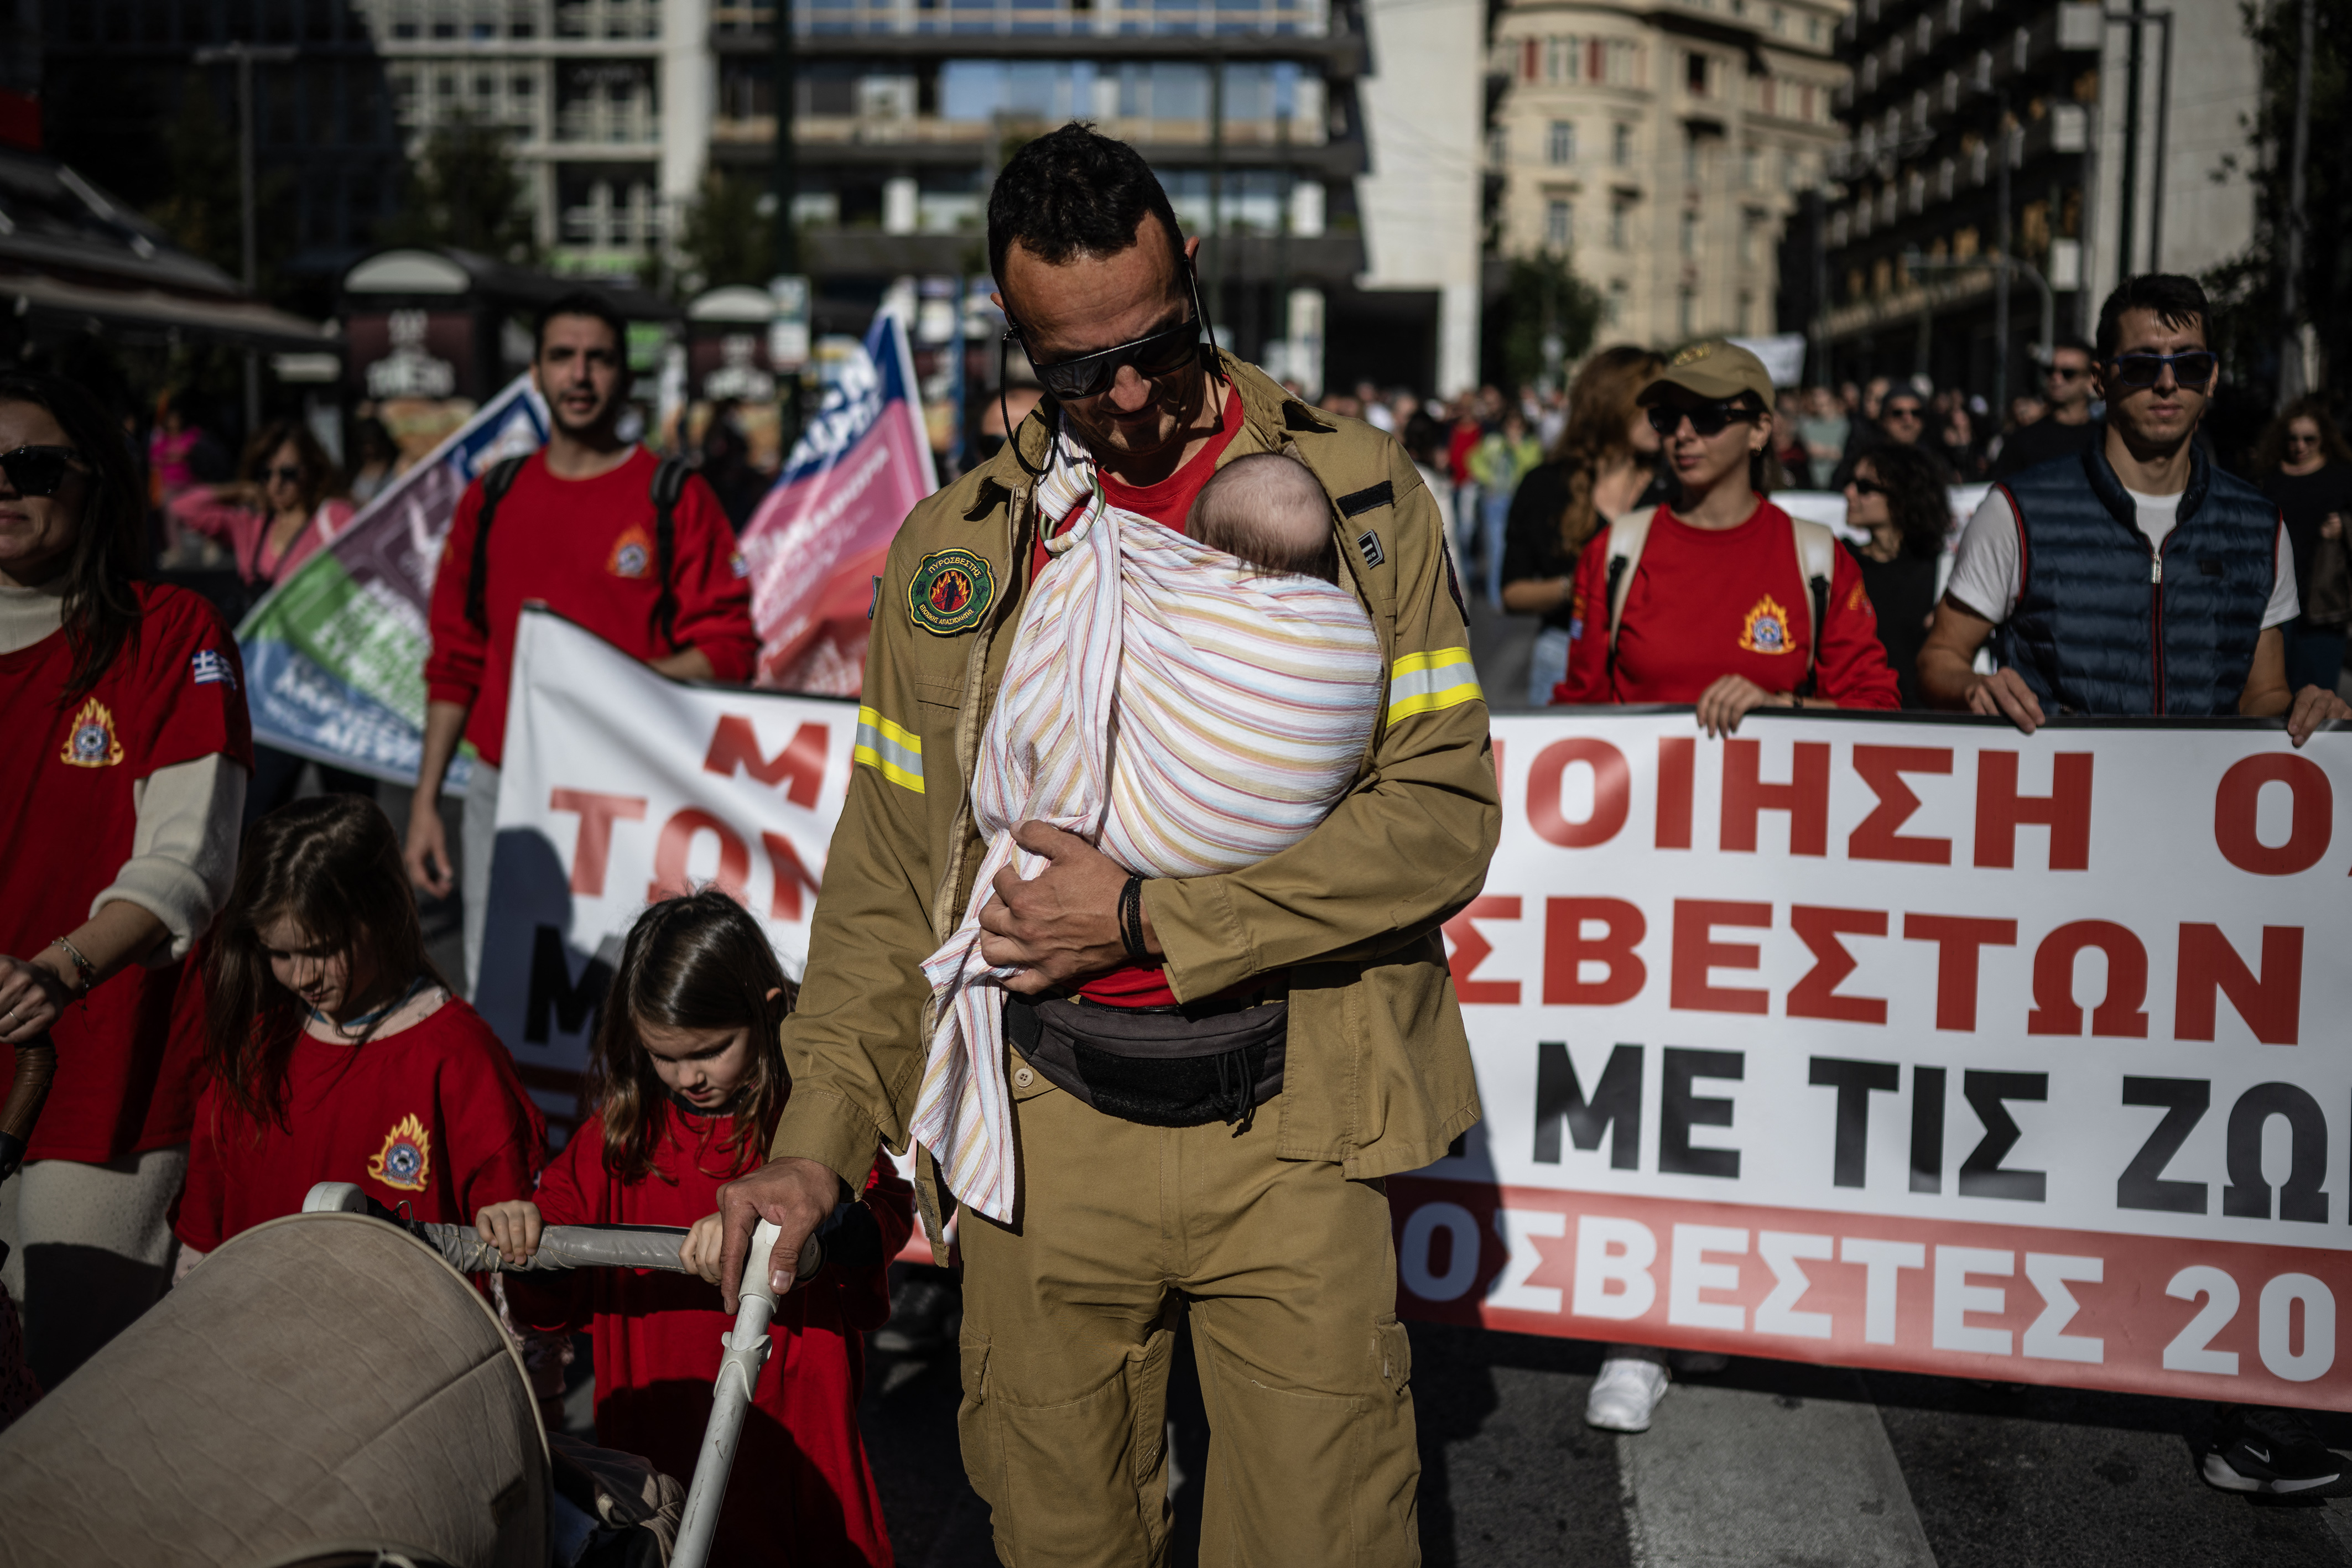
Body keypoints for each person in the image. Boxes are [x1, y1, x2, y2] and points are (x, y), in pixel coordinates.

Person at [711, 124, 1497, 1565]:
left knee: (1326, 1537)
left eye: (1158, 345)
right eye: (1075, 370)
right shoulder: (956, 555)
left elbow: (1438, 815)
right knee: (1064, 1539)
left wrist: (1147, 918)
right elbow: (890, 882)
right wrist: (812, 1146)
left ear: (1189, 275)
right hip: (1040, 1145)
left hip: (1298, 1117)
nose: (1127, 399)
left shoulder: (1366, 501)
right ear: (1015, 336)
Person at [1553, 340, 1896, 1431]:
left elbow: (1880, 719)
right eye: (1667, 414)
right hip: (1640, 884)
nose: (1681, 432)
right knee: (1647, 1092)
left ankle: (1733, 1290)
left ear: (1761, 427)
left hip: (1778, 884)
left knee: (1756, 1093)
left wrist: (1785, 713)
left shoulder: (1811, 558)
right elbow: (1574, 708)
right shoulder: (1617, 550)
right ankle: (1635, 1324)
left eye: (1707, 413)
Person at [479, 890, 911, 1567]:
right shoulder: (618, 1138)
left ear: (766, 1012)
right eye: (663, 1056)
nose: (688, 1078)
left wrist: (785, 1224)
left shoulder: (807, 1127)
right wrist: (522, 1235)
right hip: (657, 1438)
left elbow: (884, 1211)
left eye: (710, 1051)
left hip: (789, 1435)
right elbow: (547, 1292)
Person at [0, 372, 253, 1391]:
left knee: (72, 1402)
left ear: (97, 481)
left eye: (31, 467)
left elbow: (191, 861)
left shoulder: (174, 631)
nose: (4, 487)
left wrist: (61, 969)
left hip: (102, 1076)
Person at [406, 290, 760, 995]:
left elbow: (729, 650)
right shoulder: (493, 497)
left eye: (598, 359)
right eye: (562, 358)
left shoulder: (673, 495)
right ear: (535, 373)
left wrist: (604, 689)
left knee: (626, 997)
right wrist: (423, 803)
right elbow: (455, 661)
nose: (580, 376)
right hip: (505, 791)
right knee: (499, 994)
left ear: (624, 377)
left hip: (627, 792)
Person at [1919, 273, 2349, 752]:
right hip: (2061, 803)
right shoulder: (2018, 511)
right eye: (2143, 366)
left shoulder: (2260, 527)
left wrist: (2305, 710)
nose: (2167, 383)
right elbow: (1941, 655)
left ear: (2210, 378)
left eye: (2188, 365)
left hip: (2197, 809)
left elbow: (2262, 694)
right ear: (2102, 381)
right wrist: (1973, 687)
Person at [170, 795, 545, 1268]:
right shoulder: (258, 1045)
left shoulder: (459, 1057)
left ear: (381, 913)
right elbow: (205, 1227)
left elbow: (514, 1252)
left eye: (322, 949)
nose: (302, 976)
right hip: (252, 1331)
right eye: (280, 954)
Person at [169, 420, 373, 823]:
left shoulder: (332, 518)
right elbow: (182, 507)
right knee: (257, 816)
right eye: (267, 473)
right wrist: (242, 489)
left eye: (289, 473)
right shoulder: (250, 525)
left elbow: (372, 557)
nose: (277, 484)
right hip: (273, 701)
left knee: (353, 819)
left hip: (333, 696)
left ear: (311, 472)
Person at [1501, 346, 1666, 706]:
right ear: (1612, 403)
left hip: (1657, 655)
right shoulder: (1545, 486)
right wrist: (1578, 587)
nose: (1664, 415)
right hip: (1565, 649)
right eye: (1651, 404)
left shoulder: (1674, 485)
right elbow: (1512, 592)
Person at [1842, 442, 1950, 707]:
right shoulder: (1841, 562)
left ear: (1902, 496)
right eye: (1851, 482)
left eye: (1865, 487)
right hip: (1853, 716)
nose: (1849, 493)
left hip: (1922, 724)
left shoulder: (1944, 571)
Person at [2256, 395, 2352, 692]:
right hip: (2272, 602)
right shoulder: (2267, 479)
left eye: (2309, 439)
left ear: (2324, 438)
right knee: (2271, 697)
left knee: (2315, 696)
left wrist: (2345, 527)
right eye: (2293, 439)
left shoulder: (2342, 477)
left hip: (2321, 605)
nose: (2300, 447)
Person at [1989, 333, 2099, 478]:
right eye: (2050, 370)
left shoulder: (2104, 440)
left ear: (2091, 381)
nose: (2056, 378)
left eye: (2068, 373)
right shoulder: (2022, 441)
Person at [1469, 405, 1544, 606]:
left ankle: (1518, 592)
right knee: (1496, 549)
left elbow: (1532, 470)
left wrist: (1517, 448)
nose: (1514, 429)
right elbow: (1473, 460)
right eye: (1511, 424)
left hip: (1521, 501)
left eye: (1518, 425)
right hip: (1495, 500)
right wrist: (1488, 480)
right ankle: (1497, 597)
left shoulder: (1531, 446)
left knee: (1522, 547)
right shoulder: (1492, 442)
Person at [345, 415, 399, 506]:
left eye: (372, 443)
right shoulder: (356, 470)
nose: (368, 449)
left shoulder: (395, 470)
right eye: (364, 444)